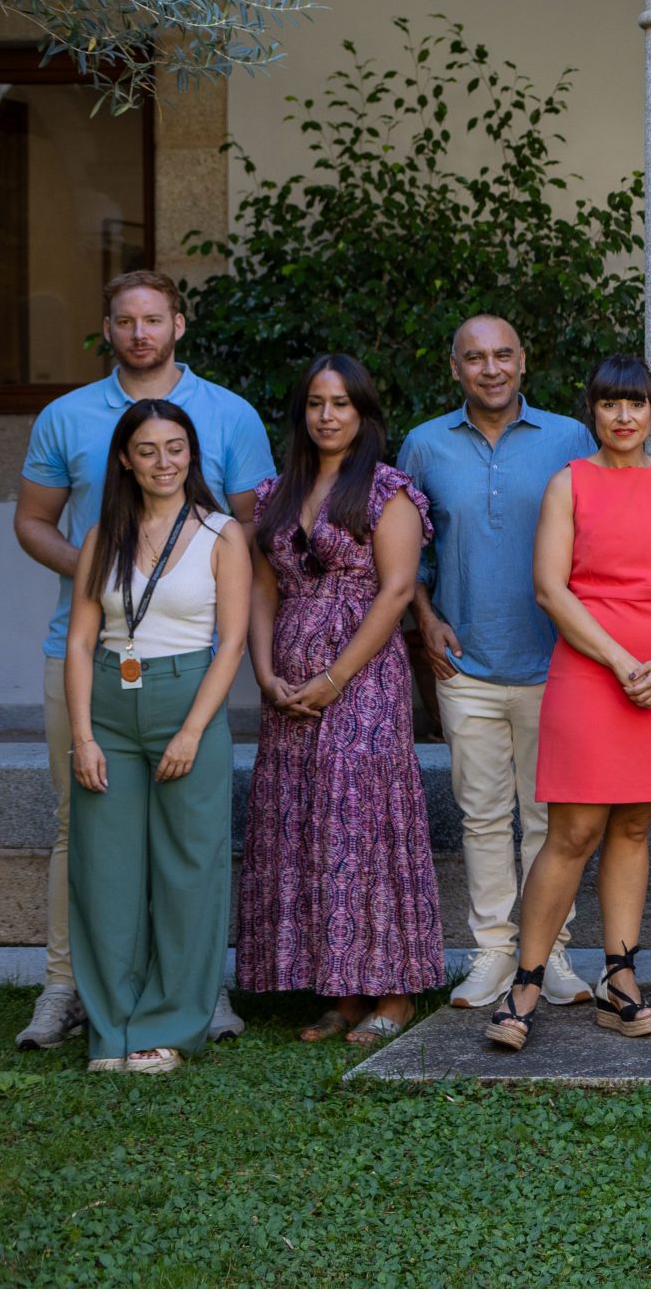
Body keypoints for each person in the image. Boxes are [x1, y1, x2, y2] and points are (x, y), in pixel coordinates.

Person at [12, 269, 272, 1051]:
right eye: (124, 321)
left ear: (177, 324)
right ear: (108, 328)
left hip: (188, 665)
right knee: (85, 835)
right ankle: (69, 990)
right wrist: (108, 578)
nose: (139, 333)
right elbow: (32, 520)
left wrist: (173, 592)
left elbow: (251, 534)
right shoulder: (66, 417)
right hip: (88, 659)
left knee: (190, 845)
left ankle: (197, 991)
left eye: (153, 318)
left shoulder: (229, 415)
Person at [487, 357, 651, 1051]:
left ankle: (621, 979)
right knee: (573, 831)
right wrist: (619, 660)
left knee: (635, 829)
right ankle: (525, 979)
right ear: (593, 411)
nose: (623, 416)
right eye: (610, 403)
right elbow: (552, 588)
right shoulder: (569, 484)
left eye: (635, 403)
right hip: (592, 673)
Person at [238, 354, 444, 1043]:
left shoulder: (388, 489)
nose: (328, 415)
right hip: (287, 686)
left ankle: (391, 990)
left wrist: (332, 680)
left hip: (363, 680)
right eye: (316, 403)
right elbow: (263, 588)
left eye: (342, 404)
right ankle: (340, 989)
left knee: (362, 823)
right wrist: (266, 674)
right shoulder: (275, 492)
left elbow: (394, 592)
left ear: (364, 414)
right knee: (306, 825)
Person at [397, 315, 599, 1010]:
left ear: (524, 360)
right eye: (475, 357)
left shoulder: (572, 439)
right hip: (465, 664)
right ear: (454, 367)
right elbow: (403, 555)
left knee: (552, 820)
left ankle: (556, 952)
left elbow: (599, 542)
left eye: (503, 355)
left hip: (556, 664)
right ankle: (490, 952)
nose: (490, 368)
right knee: (481, 815)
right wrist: (423, 617)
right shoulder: (423, 446)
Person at [62, 402, 252, 1073]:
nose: (164, 462)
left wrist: (193, 730)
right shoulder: (102, 535)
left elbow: (230, 645)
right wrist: (82, 736)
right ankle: (111, 1028)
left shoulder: (222, 535)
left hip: (186, 700)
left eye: (176, 448)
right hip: (111, 702)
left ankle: (168, 1024)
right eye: (148, 450)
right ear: (125, 459)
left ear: (191, 455)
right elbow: (81, 642)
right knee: (105, 871)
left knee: (189, 870)